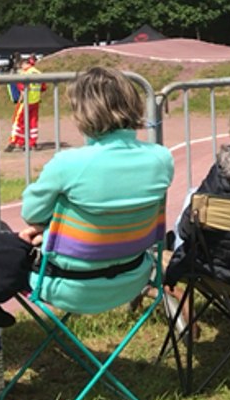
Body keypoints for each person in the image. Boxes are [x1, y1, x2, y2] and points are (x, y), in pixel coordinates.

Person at [17, 66, 174, 312]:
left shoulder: (68, 163)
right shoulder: (162, 159)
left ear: (83, 112)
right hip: (133, 278)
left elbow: (32, 213)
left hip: (68, 285)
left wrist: (44, 229)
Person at [6, 55, 46, 151]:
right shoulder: (38, 73)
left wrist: (21, 97)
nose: (21, 67)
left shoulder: (25, 74)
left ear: (25, 63)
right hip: (35, 102)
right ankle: (32, 142)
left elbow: (22, 87)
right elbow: (43, 87)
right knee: (33, 122)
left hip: (25, 102)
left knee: (18, 121)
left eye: (21, 64)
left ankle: (15, 141)